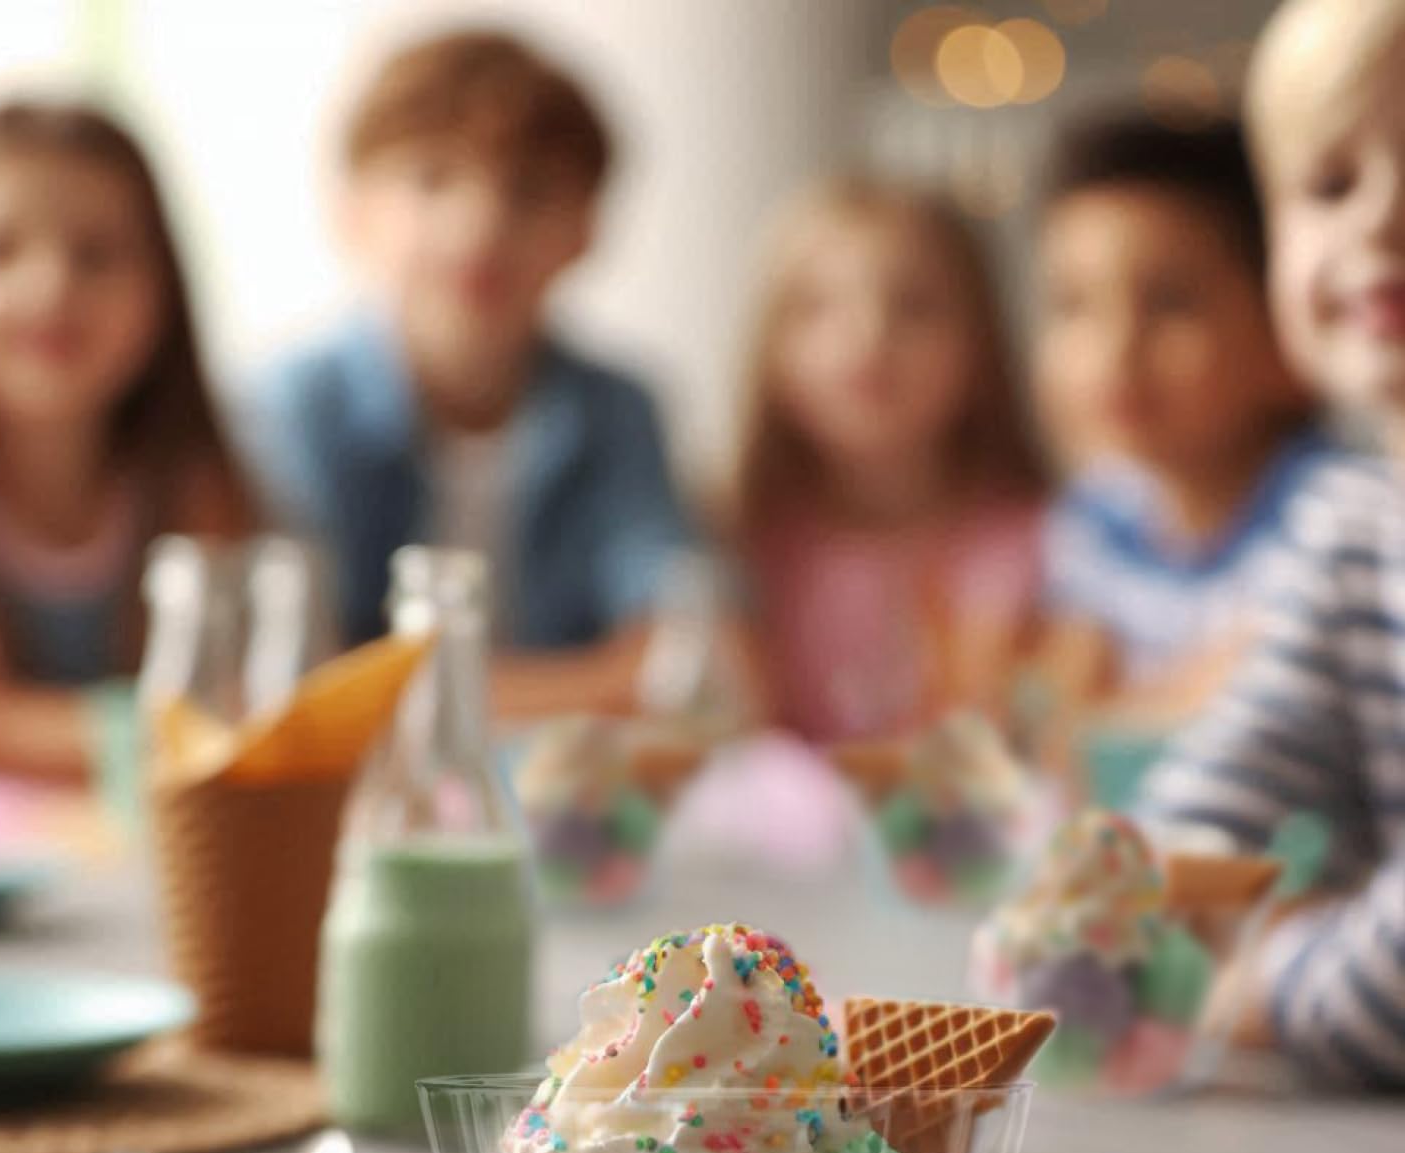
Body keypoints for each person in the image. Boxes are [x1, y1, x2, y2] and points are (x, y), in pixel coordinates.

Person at [246, 30, 687, 719]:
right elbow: (296, 678)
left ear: (586, 228)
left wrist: (408, 690)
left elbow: (687, 657)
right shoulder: (292, 407)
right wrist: (589, 686)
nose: (480, 223)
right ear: (350, 212)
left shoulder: (618, 411)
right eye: (432, 178)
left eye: (528, 190)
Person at [1142, 0, 1405, 1086]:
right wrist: (1122, 920)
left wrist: (1252, 986)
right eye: (1330, 184)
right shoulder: (1352, 524)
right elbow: (1231, 773)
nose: (1379, 220)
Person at [0, 100, 253, 781]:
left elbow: (237, 690)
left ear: (163, 286)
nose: (52, 287)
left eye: (96, 255)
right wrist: (149, 730)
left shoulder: (195, 485)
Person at [1034, 110, 1333, 728]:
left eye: (1169, 303)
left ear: (1287, 329)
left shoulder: (1330, 524)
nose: (1115, 349)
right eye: (1072, 305)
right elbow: (1058, 710)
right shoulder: (1099, 516)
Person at [731, 178, 1045, 744]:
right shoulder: (736, 551)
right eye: (817, 307)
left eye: (915, 306)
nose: (869, 337)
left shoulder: (1045, 548)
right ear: (769, 348)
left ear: (981, 340)